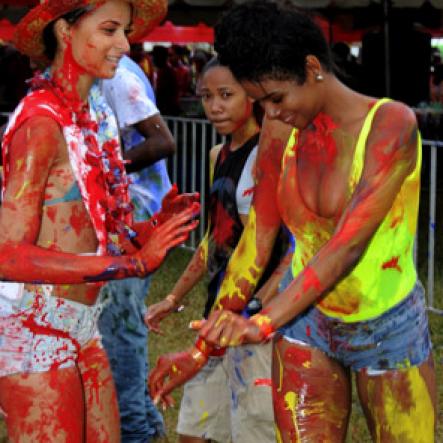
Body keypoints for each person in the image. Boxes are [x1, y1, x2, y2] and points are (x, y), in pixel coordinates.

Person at [149, 2, 436, 442]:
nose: (272, 113)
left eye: (276, 98)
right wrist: (203, 348)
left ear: (312, 67)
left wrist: (261, 321)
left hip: (388, 327)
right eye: (261, 102)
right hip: (306, 323)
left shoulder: (390, 125)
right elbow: (254, 244)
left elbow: (345, 247)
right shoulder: (280, 132)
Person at [0, 1, 199, 442]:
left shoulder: (97, 116)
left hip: (83, 325)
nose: (123, 45)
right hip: (33, 328)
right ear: (65, 31)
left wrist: (148, 231)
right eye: (110, 30)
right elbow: (7, 255)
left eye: (124, 31)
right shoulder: (39, 124)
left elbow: (97, 232)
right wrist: (131, 264)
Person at [147, 57, 288, 443]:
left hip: (256, 325)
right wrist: (174, 296)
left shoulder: (270, 157)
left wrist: (257, 307)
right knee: (194, 430)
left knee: (253, 431)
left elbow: (291, 248)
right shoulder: (217, 156)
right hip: (216, 316)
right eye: (206, 96)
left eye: (226, 95)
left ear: (253, 96)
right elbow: (216, 238)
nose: (215, 106)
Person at [99, 53, 175, 442]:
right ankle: (144, 419)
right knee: (111, 323)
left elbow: (164, 140)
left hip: (137, 214)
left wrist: (102, 171)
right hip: (118, 215)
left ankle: (136, 430)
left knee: (119, 325)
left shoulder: (118, 76)